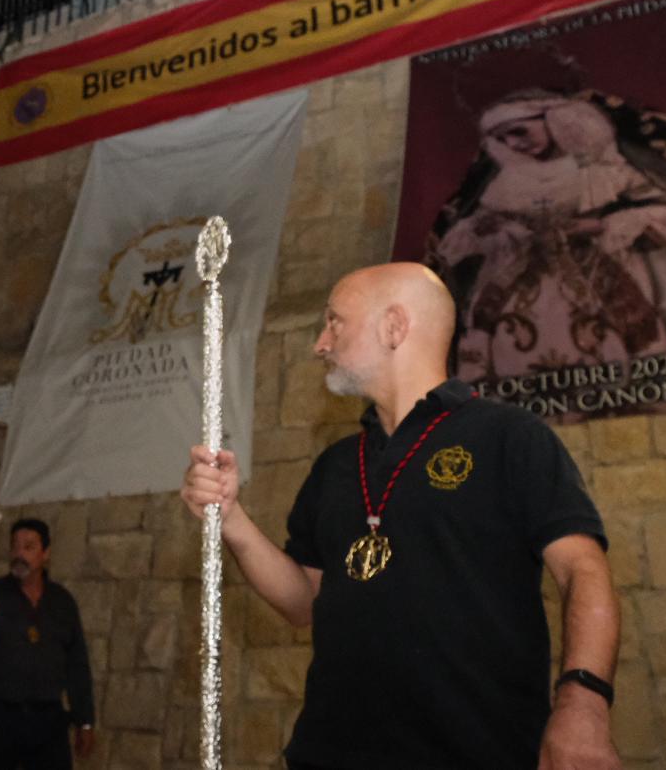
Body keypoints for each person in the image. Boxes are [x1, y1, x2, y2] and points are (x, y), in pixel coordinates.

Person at [181, 263, 620, 770]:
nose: (320, 343)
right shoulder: (336, 465)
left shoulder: (510, 437)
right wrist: (231, 519)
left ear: (394, 327)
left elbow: (582, 570)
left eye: (335, 322)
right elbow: (302, 602)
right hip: (330, 756)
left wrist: (583, 703)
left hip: (478, 753)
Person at [427, 89, 666, 413]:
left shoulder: (604, 172)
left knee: (628, 333)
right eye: (502, 138)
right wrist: (488, 230)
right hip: (521, 281)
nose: (514, 144)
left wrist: (601, 226)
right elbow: (470, 233)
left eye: (519, 131)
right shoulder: (506, 184)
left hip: (607, 271)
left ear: (557, 119)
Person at [0, 518, 94, 769]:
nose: (19, 554)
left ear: (46, 553)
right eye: (15, 547)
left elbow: (77, 664)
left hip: (47, 721)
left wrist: (85, 722)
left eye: (28, 547)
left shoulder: (62, 602)